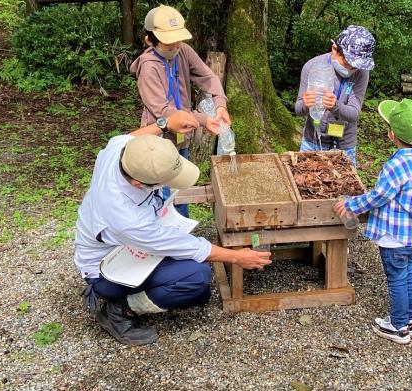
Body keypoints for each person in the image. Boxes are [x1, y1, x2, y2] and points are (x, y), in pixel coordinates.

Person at [75, 111, 271, 346]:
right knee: (196, 278)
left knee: (196, 284)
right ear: (139, 183)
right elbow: (189, 247)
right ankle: (118, 310)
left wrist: (165, 124)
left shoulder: (120, 150)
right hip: (108, 267)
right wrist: (237, 257)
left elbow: (134, 138)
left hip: (128, 244)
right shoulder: (126, 217)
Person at [334, 99, 412, 345]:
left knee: (396, 278)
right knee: (408, 274)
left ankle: (398, 326)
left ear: (392, 134)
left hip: (395, 236)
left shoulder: (396, 165)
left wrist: (350, 204)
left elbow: (379, 196)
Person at [130, 4, 230, 217]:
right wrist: (204, 119)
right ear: (149, 40)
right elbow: (166, 112)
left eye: (178, 40)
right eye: (168, 43)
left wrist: (220, 104)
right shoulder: (148, 68)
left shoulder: (182, 51)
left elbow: (208, 76)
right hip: (157, 139)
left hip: (181, 137)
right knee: (161, 194)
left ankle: (183, 238)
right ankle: (164, 244)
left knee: (179, 187)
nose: (175, 46)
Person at [294, 25, 376, 166]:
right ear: (334, 49)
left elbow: (354, 113)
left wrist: (335, 106)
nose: (350, 69)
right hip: (313, 140)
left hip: (345, 144)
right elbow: (298, 109)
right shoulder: (312, 66)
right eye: (347, 63)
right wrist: (306, 105)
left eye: (355, 66)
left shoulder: (362, 72)